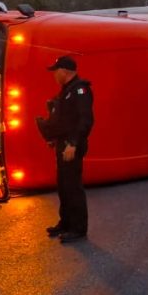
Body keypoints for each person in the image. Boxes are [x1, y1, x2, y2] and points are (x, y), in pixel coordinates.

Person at [38, 55, 94, 243]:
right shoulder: (66, 91)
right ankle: (66, 222)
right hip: (63, 143)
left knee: (73, 187)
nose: (54, 75)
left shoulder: (80, 90)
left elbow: (85, 120)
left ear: (64, 71)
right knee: (63, 185)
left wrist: (73, 144)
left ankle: (78, 228)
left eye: (56, 71)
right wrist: (53, 137)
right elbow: (63, 120)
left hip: (72, 145)